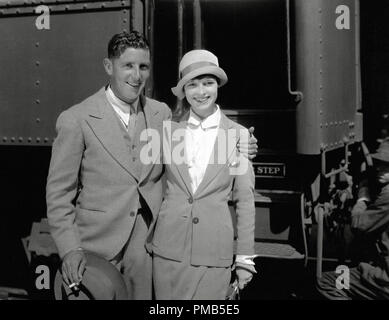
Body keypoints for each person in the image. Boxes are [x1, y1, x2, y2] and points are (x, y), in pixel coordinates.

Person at [46, 32, 258, 300]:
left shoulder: (161, 115)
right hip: (95, 250)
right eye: (128, 66)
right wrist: (69, 249)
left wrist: (244, 144)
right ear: (109, 67)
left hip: (146, 252)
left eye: (143, 67)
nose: (136, 76)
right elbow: (58, 194)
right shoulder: (76, 119)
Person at [150, 49, 257, 300]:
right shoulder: (168, 132)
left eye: (208, 83)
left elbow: (245, 200)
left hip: (213, 254)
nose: (201, 92)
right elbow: (146, 183)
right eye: (193, 85)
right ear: (183, 90)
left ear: (217, 86)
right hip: (168, 253)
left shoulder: (238, 136)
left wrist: (244, 258)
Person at [316, 138, 389, 300]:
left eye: (387, 165)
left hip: (384, 279)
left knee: (329, 281)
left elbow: (358, 225)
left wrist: (362, 198)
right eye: (379, 163)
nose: (379, 169)